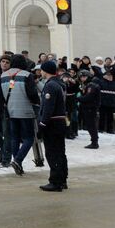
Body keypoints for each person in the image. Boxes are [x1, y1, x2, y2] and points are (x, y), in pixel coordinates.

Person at [1, 55, 40, 176]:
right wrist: (37, 102)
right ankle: (18, 160)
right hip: (26, 110)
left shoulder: (4, 75)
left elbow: (6, 92)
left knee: (15, 138)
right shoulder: (27, 75)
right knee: (29, 138)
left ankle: (18, 164)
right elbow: (32, 94)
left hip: (11, 110)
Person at [37, 60, 68, 192]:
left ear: (46, 70)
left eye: (42, 70)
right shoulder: (59, 83)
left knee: (52, 152)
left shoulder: (50, 86)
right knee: (60, 152)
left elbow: (48, 108)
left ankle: (55, 181)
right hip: (60, 122)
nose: (40, 72)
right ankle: (62, 179)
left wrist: (42, 124)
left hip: (53, 123)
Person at [77, 70, 100, 149]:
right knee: (90, 125)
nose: (82, 79)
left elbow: (88, 97)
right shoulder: (87, 85)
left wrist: (79, 98)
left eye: (84, 77)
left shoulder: (91, 85)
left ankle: (94, 142)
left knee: (91, 126)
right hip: (87, 107)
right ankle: (94, 141)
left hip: (90, 108)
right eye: (81, 77)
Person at [97, 68, 115, 134]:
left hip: (112, 103)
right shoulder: (101, 82)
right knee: (102, 116)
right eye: (108, 75)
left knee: (110, 117)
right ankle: (101, 129)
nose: (109, 77)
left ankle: (110, 129)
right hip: (103, 103)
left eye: (110, 75)